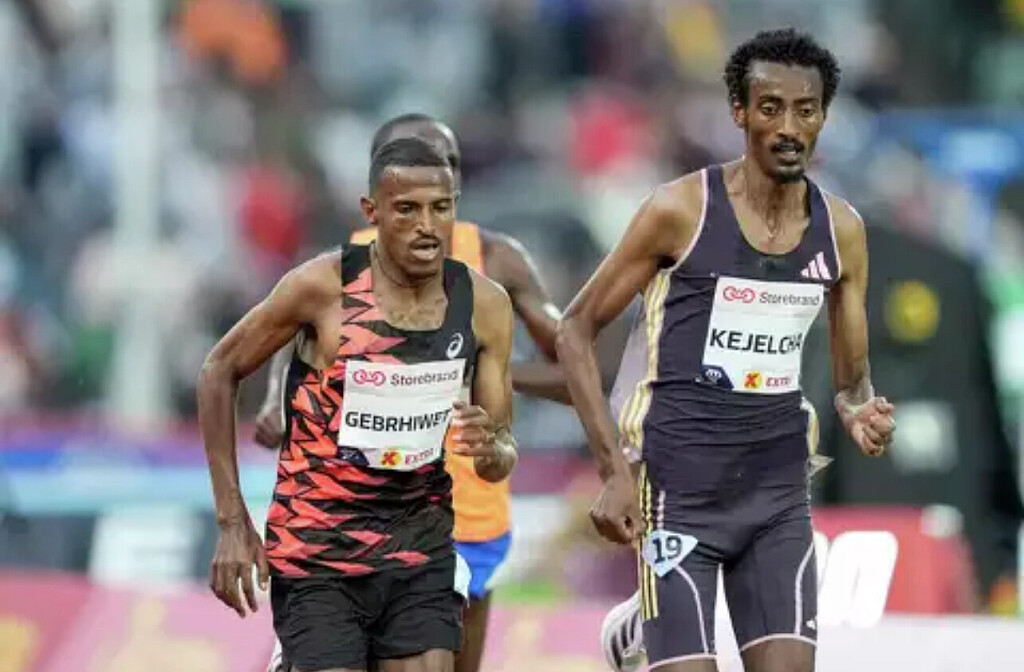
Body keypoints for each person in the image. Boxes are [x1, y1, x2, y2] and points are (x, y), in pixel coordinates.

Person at [555, 29, 896, 672]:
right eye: (770, 108)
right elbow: (575, 328)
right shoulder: (680, 211)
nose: (788, 127)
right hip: (676, 490)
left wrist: (859, 410)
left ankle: (643, 626)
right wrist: (613, 471)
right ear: (739, 112)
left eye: (806, 110)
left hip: (776, 492)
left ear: (824, 116)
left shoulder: (842, 231)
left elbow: (853, 383)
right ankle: (638, 631)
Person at [253, 114, 564, 672]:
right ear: (376, 195)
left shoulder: (494, 263)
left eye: (449, 167)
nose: (433, 178)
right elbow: (292, 334)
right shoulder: (344, 265)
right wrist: (275, 397)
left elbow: (573, 365)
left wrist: (479, 379)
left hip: (468, 512)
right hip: (358, 516)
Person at [198, 136, 518, 672]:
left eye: (441, 208)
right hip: (319, 548)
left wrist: (493, 451)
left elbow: (500, 452)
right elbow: (218, 370)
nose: (427, 225)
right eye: (407, 209)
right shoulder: (322, 288)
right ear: (372, 212)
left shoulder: (483, 305)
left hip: (419, 543)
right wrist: (232, 521)